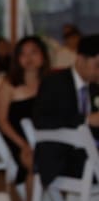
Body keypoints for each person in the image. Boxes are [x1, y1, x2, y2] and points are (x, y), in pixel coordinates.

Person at [33, 34, 99, 188]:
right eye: (97, 65)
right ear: (81, 59)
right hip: (62, 156)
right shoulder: (54, 83)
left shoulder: (94, 86)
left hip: (89, 152)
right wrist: (86, 119)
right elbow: (42, 120)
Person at [0, 37, 49, 201]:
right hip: (17, 139)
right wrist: (23, 144)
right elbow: (2, 121)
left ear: (43, 56)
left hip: (45, 138)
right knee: (34, 164)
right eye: (23, 54)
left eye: (33, 52)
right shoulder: (8, 85)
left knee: (66, 159)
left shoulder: (51, 84)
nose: (29, 58)